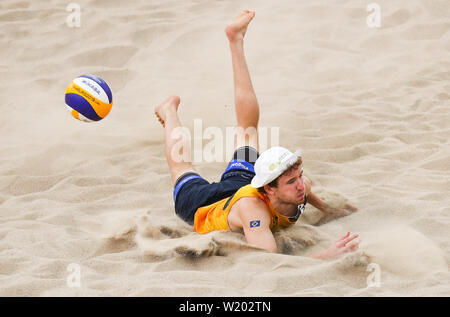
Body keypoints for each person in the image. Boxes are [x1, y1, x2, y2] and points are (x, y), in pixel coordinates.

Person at [155, 10, 359, 260]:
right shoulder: (254, 212)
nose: (300, 186)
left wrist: (327, 208)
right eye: (291, 181)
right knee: (181, 166)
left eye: (298, 176)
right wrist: (328, 254)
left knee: (248, 130)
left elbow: (306, 190)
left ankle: (235, 40)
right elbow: (268, 260)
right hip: (202, 205)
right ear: (269, 189)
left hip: (242, 184)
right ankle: (169, 110)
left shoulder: (297, 185)